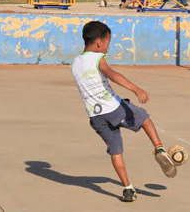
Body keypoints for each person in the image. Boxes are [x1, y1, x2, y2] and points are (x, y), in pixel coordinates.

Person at [71, 21, 177, 202]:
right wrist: (136, 89)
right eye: (108, 42)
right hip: (113, 108)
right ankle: (159, 149)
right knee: (144, 118)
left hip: (95, 117)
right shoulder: (97, 59)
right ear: (99, 43)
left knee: (116, 152)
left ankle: (128, 188)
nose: (108, 46)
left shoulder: (75, 63)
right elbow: (112, 74)